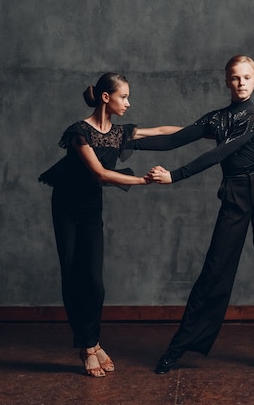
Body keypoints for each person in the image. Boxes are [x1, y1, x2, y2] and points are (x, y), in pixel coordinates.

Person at [127, 55, 254, 373]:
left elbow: (218, 153)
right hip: (235, 192)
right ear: (226, 81)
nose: (242, 82)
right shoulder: (217, 119)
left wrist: (174, 176)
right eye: (235, 77)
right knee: (215, 270)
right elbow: (175, 138)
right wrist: (130, 140)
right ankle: (178, 349)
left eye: (247, 77)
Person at [38, 72, 181, 377]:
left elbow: (162, 132)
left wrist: (203, 131)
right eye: (124, 96)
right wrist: (142, 180)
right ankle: (89, 346)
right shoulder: (79, 132)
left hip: (90, 210)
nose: (128, 102)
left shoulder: (118, 133)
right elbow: (100, 174)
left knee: (94, 281)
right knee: (73, 274)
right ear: (106, 97)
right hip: (66, 208)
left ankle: (91, 342)